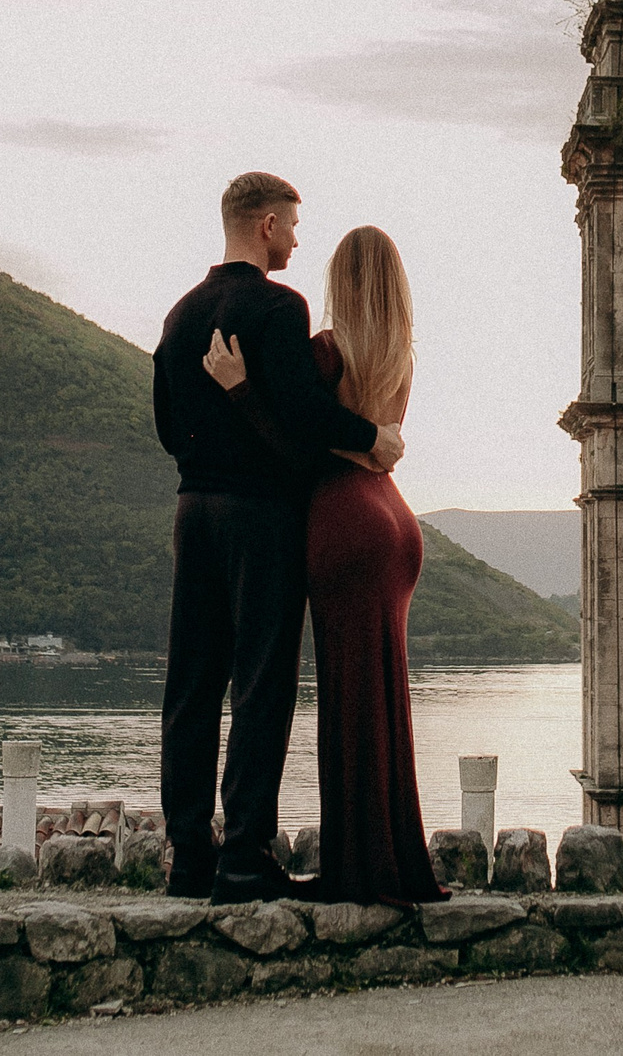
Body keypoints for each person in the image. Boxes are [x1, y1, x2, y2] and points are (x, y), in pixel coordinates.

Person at [152, 172, 402, 903]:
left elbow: (168, 426)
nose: (296, 239)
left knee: (191, 684)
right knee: (260, 682)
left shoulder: (180, 313)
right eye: (291, 225)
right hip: (260, 514)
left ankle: (189, 856)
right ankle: (245, 857)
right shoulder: (277, 306)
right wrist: (372, 436)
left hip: (191, 507)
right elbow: (301, 410)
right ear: (264, 225)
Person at [205, 224, 448, 907]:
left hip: (344, 519)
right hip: (396, 524)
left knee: (347, 697)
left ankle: (360, 870)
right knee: (384, 695)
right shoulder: (399, 355)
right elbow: (379, 444)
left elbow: (293, 447)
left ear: (341, 281)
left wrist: (241, 388)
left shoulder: (326, 352)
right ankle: (393, 859)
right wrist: (368, 449)